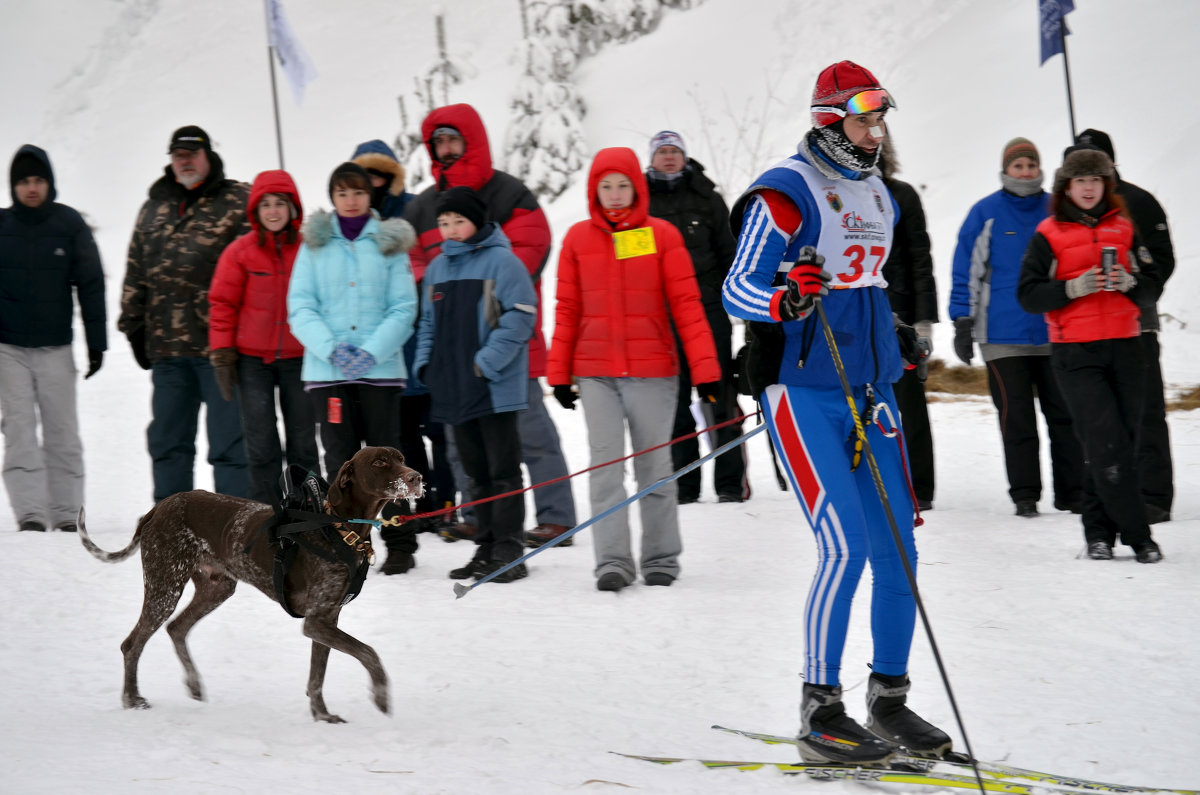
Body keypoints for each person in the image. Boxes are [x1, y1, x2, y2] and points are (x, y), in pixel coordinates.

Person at [721, 61, 951, 764]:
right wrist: (786, 298)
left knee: (899, 552)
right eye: (864, 118)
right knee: (845, 545)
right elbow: (736, 288)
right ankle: (820, 708)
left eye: (880, 118)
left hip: (871, 388)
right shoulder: (786, 193)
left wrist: (897, 335)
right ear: (830, 120)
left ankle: (889, 699)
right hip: (804, 389)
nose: (876, 131)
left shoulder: (883, 193)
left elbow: (871, 280)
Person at [403, 104, 578, 547]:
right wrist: (443, 286)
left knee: (530, 432)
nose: (445, 149)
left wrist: (473, 284)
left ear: (471, 141)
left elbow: (530, 250)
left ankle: (556, 516)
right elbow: (411, 262)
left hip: (505, 341)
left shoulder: (509, 191)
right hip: (451, 343)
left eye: (453, 140)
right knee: (464, 442)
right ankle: (479, 517)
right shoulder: (424, 206)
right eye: (438, 142)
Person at [548, 147, 721, 592]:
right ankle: (613, 562)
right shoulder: (577, 239)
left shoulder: (660, 234)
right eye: (605, 186)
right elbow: (566, 309)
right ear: (593, 190)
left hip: (653, 372)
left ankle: (661, 558)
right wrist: (560, 373)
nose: (615, 194)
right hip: (596, 373)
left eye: (623, 184)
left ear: (637, 187)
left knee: (654, 468)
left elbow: (687, 305)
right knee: (605, 468)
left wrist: (706, 371)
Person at [1018, 147, 1164, 564]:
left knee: (1122, 443)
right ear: (1067, 186)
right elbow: (1028, 295)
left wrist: (1130, 282)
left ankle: (1098, 533)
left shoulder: (1125, 229)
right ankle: (1140, 538)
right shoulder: (1048, 233)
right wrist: (1071, 288)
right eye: (1080, 180)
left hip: (1126, 346)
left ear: (1106, 185)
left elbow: (1152, 285)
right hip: (1075, 352)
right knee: (1107, 441)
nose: (1088, 188)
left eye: (1095, 180)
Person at [287, 162, 419, 571]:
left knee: (390, 461)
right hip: (330, 375)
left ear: (369, 196)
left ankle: (399, 544)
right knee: (341, 461)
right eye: (342, 193)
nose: (351, 200)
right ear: (333, 198)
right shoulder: (314, 245)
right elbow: (300, 305)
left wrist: (370, 352)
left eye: (358, 192)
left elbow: (404, 306)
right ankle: (345, 541)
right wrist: (332, 349)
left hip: (379, 373)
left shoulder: (388, 243)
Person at [948, 138, 1082, 518]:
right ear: (1006, 169)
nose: (1025, 172)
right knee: (1016, 416)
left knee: (1064, 414)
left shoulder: (1057, 208)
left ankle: (1072, 493)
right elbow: (966, 270)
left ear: (1040, 169)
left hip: (1054, 331)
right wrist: (963, 319)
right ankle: (1025, 494)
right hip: (1002, 336)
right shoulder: (985, 212)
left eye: (1031, 166)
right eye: (1018, 166)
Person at [119, 125, 250, 502]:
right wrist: (134, 328)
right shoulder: (153, 208)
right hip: (168, 353)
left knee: (231, 446)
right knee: (168, 443)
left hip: (222, 352)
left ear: (208, 156)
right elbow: (136, 272)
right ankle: (171, 531)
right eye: (178, 155)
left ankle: (240, 531)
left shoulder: (237, 200)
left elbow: (255, 267)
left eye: (192, 154)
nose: (185, 161)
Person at [413, 187, 537, 583]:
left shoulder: (504, 262)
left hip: (493, 385)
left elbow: (520, 318)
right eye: (444, 223)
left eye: (458, 222)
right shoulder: (437, 268)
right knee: (474, 472)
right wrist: (426, 366)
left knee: (502, 469)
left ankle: (509, 547)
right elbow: (427, 324)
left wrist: (485, 363)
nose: (450, 230)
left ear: (477, 221)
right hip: (453, 387)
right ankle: (485, 544)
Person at [353, 138, 461, 543]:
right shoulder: (356, 224)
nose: (375, 182)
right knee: (402, 437)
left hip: (425, 343)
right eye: (367, 175)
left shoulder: (417, 209)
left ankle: (446, 504)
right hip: (386, 353)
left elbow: (437, 261)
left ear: (393, 176)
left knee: (440, 429)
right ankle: (419, 506)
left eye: (381, 174)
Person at [0, 145, 106, 533]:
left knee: (62, 431)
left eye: (38, 180)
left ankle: (65, 514)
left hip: (56, 348)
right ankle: (30, 514)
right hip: (8, 349)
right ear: (14, 186)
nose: (31, 188)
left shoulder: (68, 224)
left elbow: (91, 285)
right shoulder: (2, 225)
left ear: (50, 184)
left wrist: (97, 342)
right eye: (24, 181)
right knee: (20, 431)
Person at [1074, 129, 1175, 525]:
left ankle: (1154, 496)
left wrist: (1139, 288)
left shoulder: (1139, 202)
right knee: (1099, 418)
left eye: (1097, 159)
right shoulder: (1067, 207)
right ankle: (1108, 497)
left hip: (1136, 326)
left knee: (1145, 413)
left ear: (1112, 162)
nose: (1090, 171)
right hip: (1085, 329)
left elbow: (1163, 260)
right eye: (1082, 161)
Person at [645, 130, 749, 505]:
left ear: (685, 157)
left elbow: (728, 255)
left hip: (708, 314)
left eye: (675, 151)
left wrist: (732, 304)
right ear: (652, 159)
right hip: (662, 318)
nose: (669, 157)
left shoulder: (708, 198)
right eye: (663, 152)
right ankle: (685, 487)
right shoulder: (640, 202)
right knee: (674, 403)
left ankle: (730, 485)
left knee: (718, 397)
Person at [207, 170, 318, 505]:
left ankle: (308, 515)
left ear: (293, 208)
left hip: (301, 359)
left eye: (280, 204)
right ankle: (265, 516)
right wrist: (223, 353)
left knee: (303, 443)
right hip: (252, 362)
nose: (273, 211)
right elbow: (222, 303)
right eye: (265, 204)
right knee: (261, 444)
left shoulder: (310, 250)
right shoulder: (240, 252)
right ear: (255, 210)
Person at [878, 138, 936, 511]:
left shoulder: (903, 195)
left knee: (909, 405)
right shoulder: (834, 195)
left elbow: (920, 258)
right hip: (852, 316)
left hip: (900, 316)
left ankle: (920, 488)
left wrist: (923, 320)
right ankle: (873, 480)